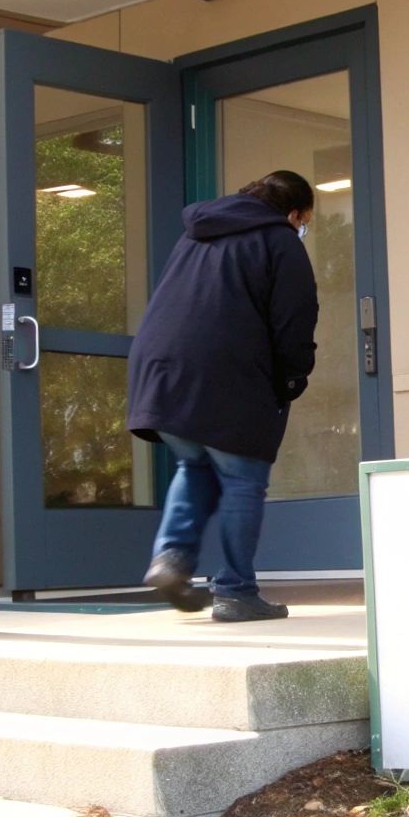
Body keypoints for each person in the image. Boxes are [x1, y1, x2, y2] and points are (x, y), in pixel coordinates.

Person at [126, 170, 319, 621]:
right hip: (227, 372)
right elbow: (294, 318)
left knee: (194, 463)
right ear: (293, 213)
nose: (302, 229)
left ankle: (171, 558)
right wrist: (292, 379)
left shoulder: (197, 235)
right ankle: (236, 590)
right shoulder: (280, 240)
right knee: (242, 478)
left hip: (161, 371)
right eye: (305, 221)